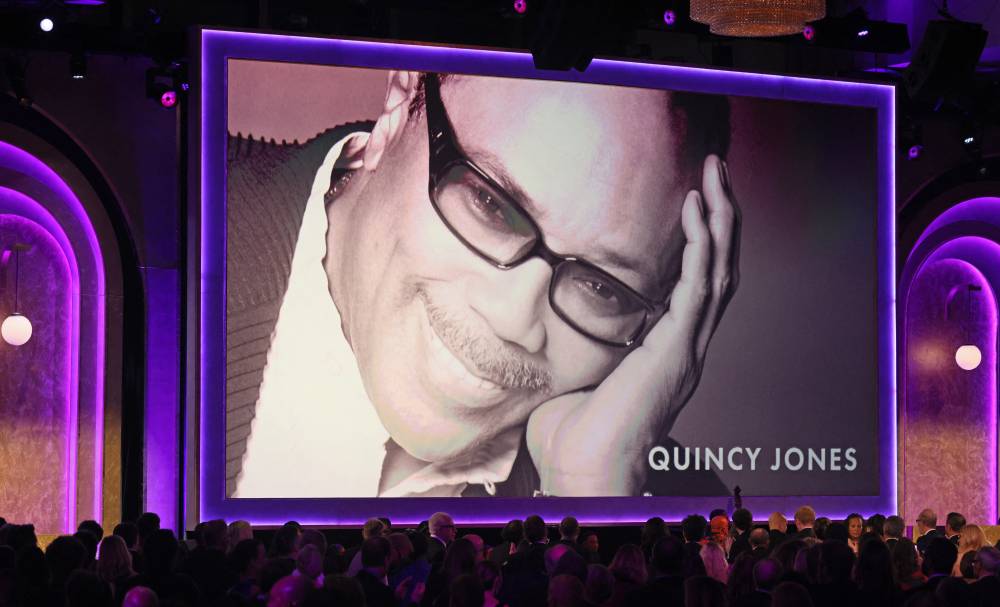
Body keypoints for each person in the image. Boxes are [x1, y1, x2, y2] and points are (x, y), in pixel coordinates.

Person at [229, 68, 740, 498]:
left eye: (601, 286)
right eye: (490, 205)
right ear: (399, 106)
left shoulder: (672, 515)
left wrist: (585, 508)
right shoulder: (166, 233)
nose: (515, 318)